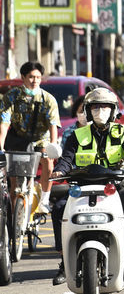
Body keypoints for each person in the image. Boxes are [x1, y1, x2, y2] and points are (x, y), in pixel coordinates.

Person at [50, 88, 124, 285]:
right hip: (83, 187)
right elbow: (66, 159)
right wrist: (59, 170)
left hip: (115, 187)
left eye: (105, 107)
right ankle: (63, 263)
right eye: (95, 107)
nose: (100, 110)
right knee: (58, 208)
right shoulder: (77, 135)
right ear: (88, 110)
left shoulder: (122, 131)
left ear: (113, 111)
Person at [0, 61, 61, 214]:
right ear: (23, 77)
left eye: (38, 77)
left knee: (48, 160)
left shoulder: (48, 99)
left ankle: (45, 199)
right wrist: (1, 146)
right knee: (14, 185)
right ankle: (15, 218)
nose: (35, 81)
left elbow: (53, 125)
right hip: (18, 139)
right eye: (31, 77)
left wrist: (53, 146)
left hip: (41, 139)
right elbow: (4, 123)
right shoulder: (11, 97)